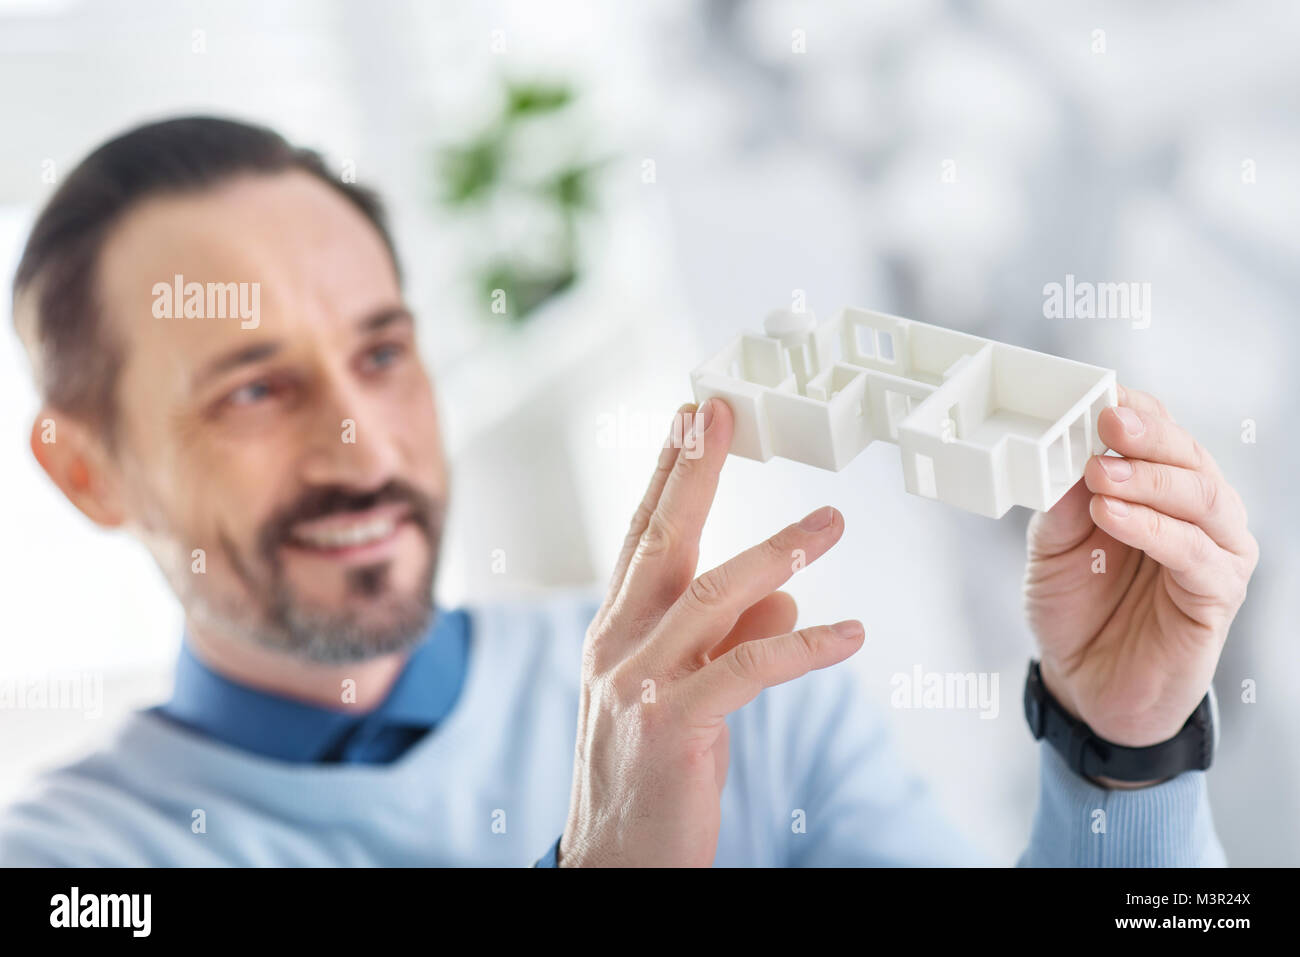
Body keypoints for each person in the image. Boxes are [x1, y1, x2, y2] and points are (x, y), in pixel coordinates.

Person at [0, 117, 1258, 867]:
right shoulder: (73, 866)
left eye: (382, 354)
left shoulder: (739, 690)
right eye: (251, 389)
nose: (359, 442)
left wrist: (1124, 755)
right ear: (86, 466)